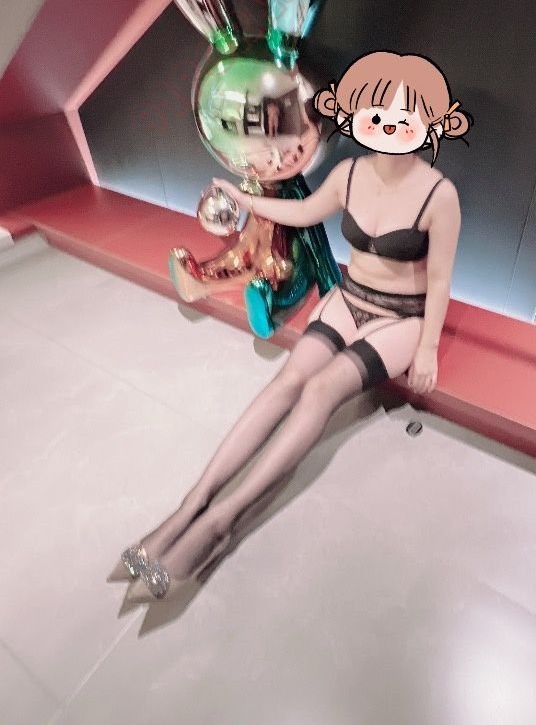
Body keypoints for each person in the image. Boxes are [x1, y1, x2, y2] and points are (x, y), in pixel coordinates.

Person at [117, 50, 472, 602]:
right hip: (349, 298)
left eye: (407, 116)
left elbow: (442, 279)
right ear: (356, 116)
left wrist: (427, 348)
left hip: (401, 316)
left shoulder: (439, 195)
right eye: (378, 114)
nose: (391, 126)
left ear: (431, 123)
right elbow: (305, 213)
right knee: (286, 381)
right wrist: (245, 197)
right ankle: (191, 505)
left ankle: (223, 521)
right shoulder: (349, 174)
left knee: (320, 391)